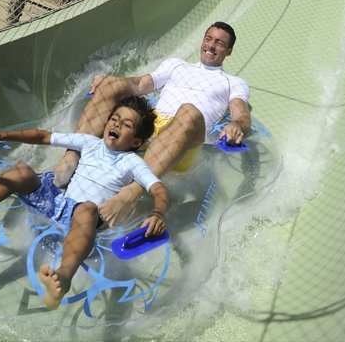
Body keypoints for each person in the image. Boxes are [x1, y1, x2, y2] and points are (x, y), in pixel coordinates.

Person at [0, 95, 169, 310]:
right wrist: (3, 136)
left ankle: (62, 277)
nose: (116, 125)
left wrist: (158, 212)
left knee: (86, 208)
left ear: (136, 141)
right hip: (55, 202)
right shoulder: (89, 142)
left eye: (127, 125)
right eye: (115, 118)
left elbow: (158, 188)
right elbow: (43, 136)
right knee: (22, 171)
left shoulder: (132, 162)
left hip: (83, 219)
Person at [55, 22, 251, 227]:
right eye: (208, 39)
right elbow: (139, 84)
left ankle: (130, 194)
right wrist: (110, 82)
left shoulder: (233, 82)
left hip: (185, 137)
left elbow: (242, 114)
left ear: (228, 51)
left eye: (219, 43)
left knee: (189, 110)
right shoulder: (176, 65)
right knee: (112, 83)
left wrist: (238, 125)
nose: (211, 46)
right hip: (149, 129)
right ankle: (70, 159)